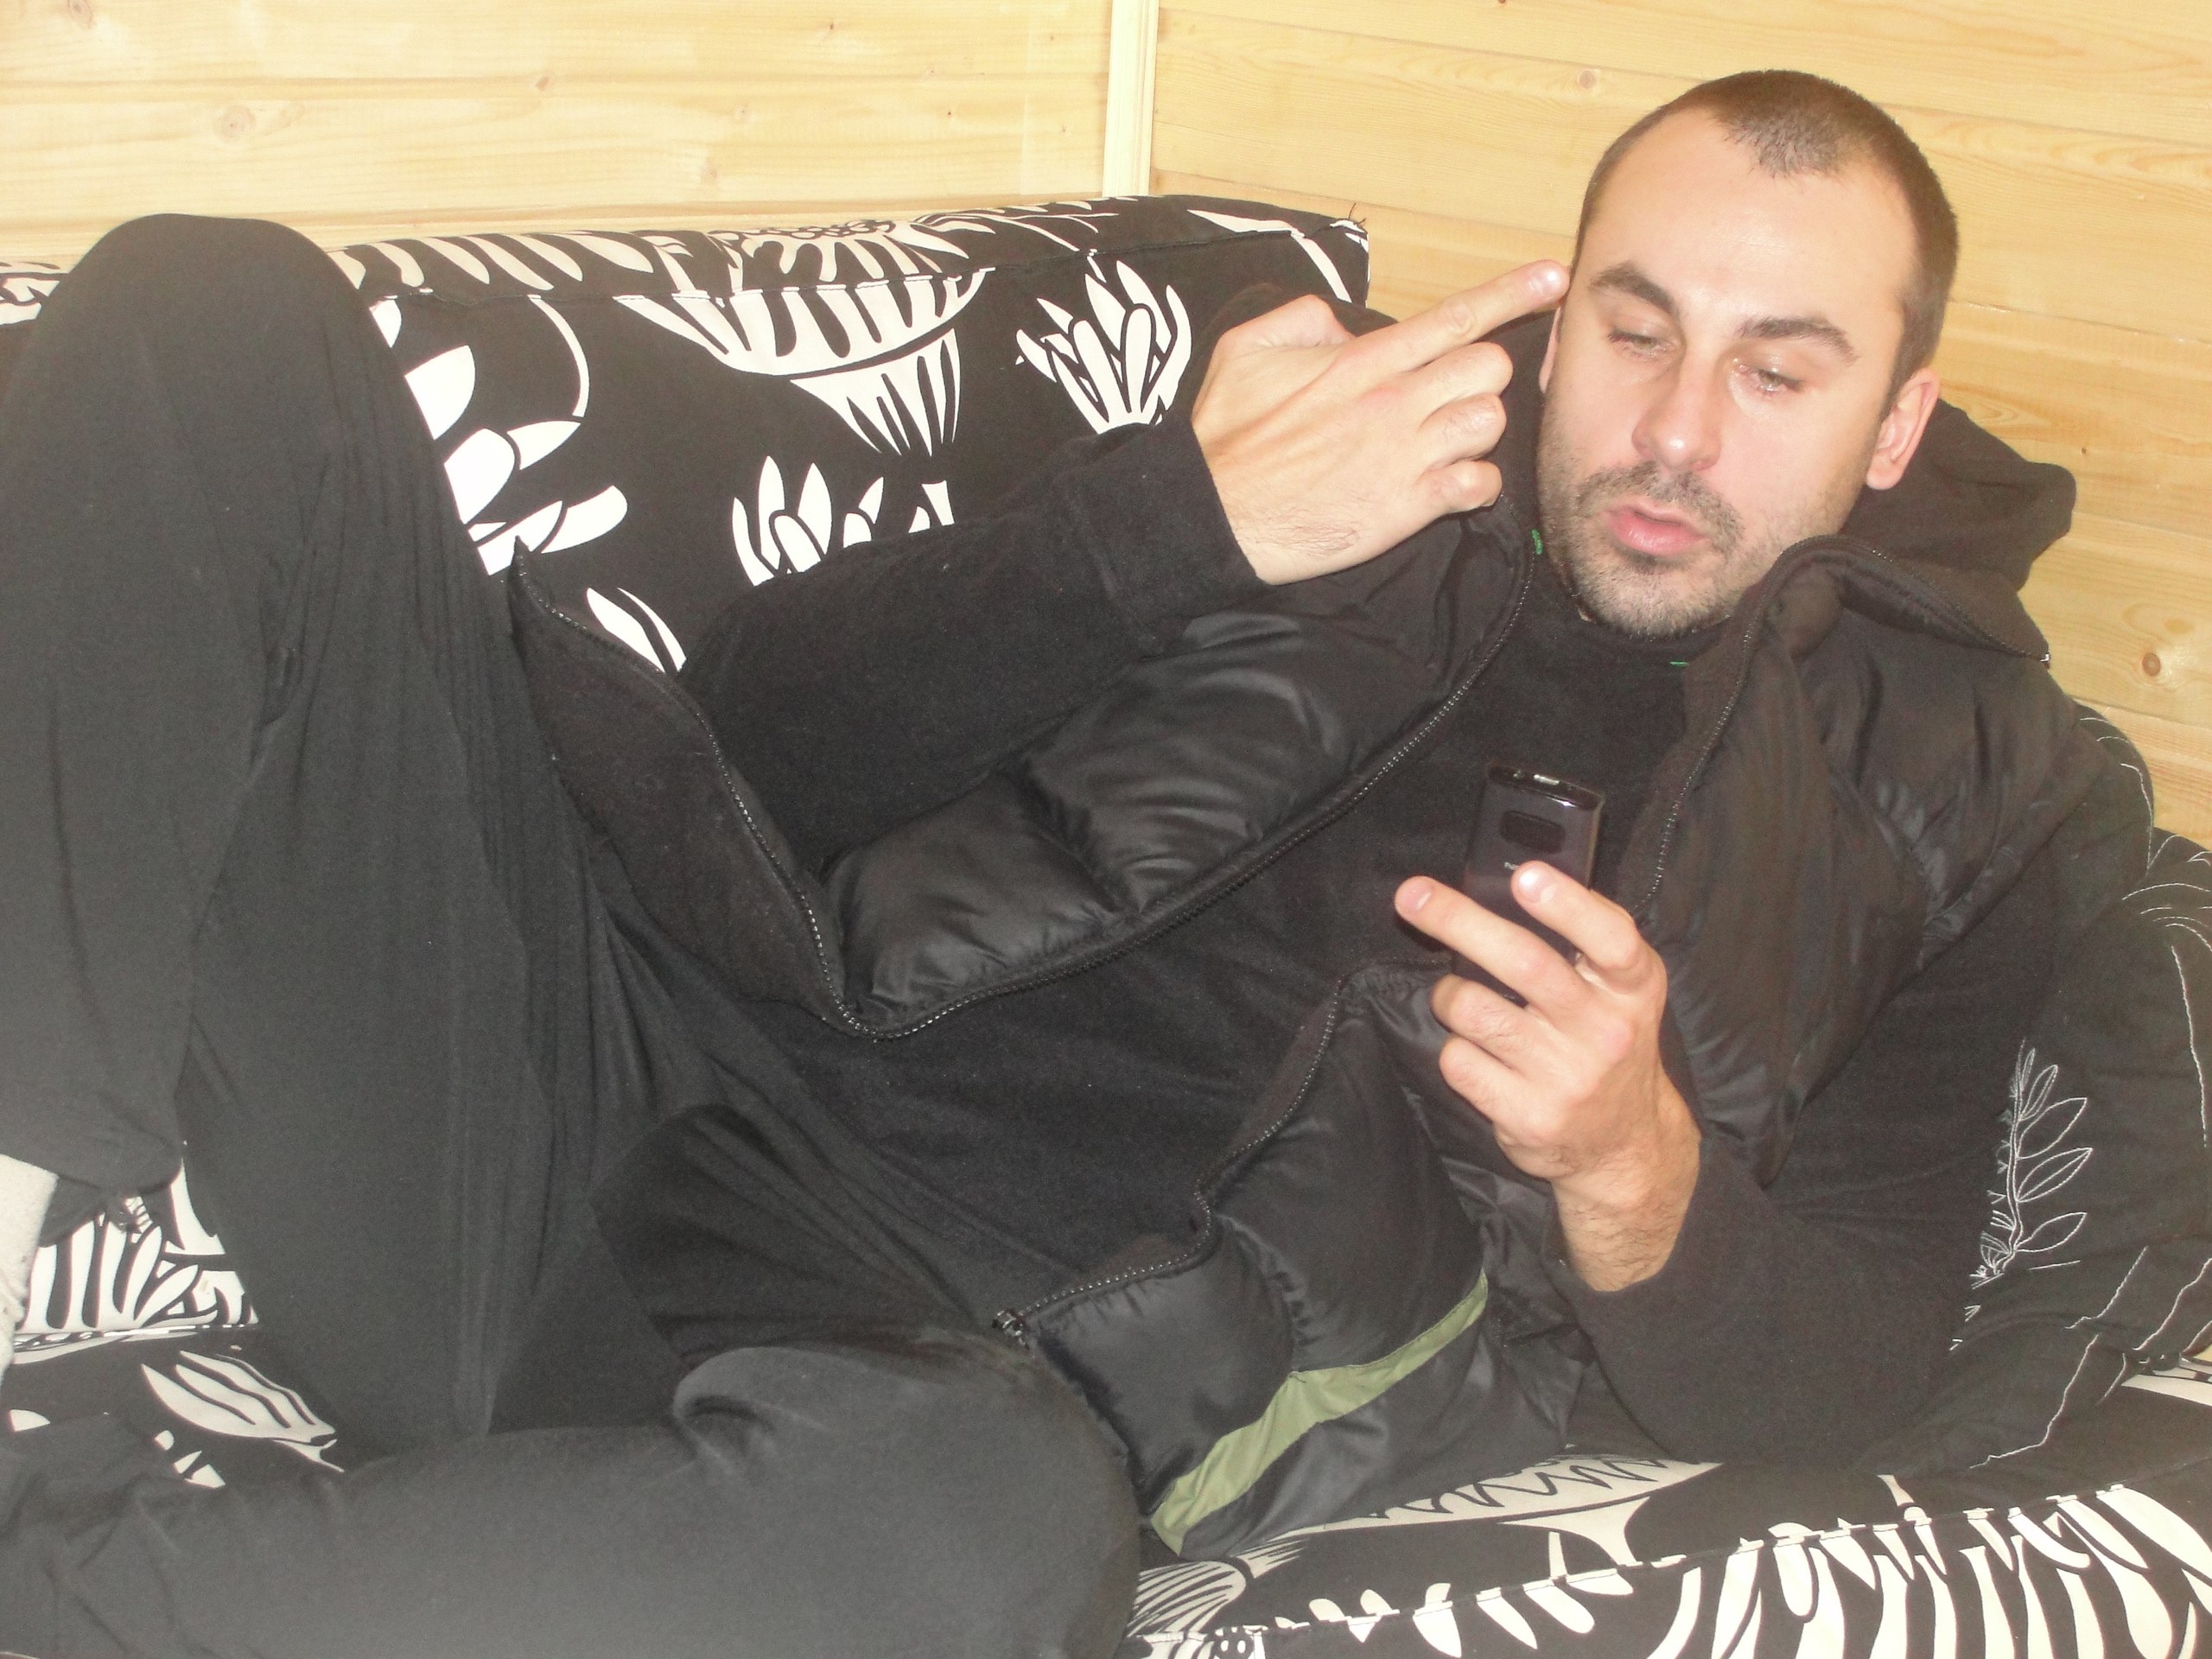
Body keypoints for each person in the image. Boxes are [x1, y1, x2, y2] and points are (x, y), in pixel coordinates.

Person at [3, 62, 2208, 1644]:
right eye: (1631, 329)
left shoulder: (1970, 800)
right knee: (217, 314)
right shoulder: (1349, 437)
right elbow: (746, 737)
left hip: (886, 1394)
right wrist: (1176, 523)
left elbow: (1852, 1378)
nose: (1668, 429)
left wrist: (1634, 1170)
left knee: (979, 1528)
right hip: (549, 1079)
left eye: (1777, 372)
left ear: (1895, 422)